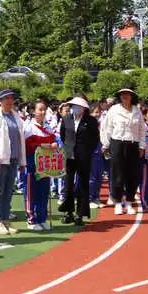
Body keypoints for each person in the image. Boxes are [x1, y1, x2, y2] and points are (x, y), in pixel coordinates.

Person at [100, 88, 146, 215]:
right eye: (122, 95)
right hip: (117, 144)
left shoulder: (137, 111)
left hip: (133, 145)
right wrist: (106, 144)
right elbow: (106, 128)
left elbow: (142, 129)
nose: (125, 97)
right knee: (117, 175)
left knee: (132, 175)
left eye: (127, 95)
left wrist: (142, 146)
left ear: (132, 97)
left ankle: (130, 202)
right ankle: (118, 202)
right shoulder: (114, 110)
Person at [0, 89, 25, 235]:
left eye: (11, 98)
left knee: (8, 191)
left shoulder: (16, 116)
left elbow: (20, 139)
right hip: (1, 160)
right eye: (6, 98)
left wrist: (22, 161)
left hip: (14, 159)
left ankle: (5, 220)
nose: (9, 101)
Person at [59, 95, 98, 225]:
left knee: (82, 185)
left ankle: (80, 214)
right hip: (69, 156)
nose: (75, 108)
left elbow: (95, 139)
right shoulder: (66, 119)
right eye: (73, 106)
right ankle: (68, 212)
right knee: (68, 184)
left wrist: (87, 151)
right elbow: (62, 135)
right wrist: (67, 148)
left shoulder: (90, 121)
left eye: (78, 106)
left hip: (84, 157)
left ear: (84, 108)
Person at [23, 98, 59, 231]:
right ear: (33, 111)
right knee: (31, 192)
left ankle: (42, 218)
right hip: (32, 163)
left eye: (44, 109)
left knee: (44, 192)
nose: (43, 112)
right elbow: (27, 146)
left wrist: (55, 144)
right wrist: (42, 145)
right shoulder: (28, 127)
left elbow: (55, 140)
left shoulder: (48, 127)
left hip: (45, 165)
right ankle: (31, 219)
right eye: (40, 109)